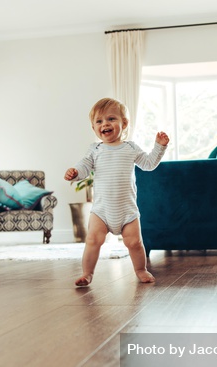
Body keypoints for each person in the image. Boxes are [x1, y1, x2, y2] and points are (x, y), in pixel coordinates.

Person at [64, 97, 169, 286]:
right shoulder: (95, 149)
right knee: (92, 240)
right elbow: (85, 165)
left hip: (127, 211)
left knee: (135, 243)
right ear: (94, 127)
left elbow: (149, 164)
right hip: (101, 211)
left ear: (124, 123)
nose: (105, 124)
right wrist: (76, 172)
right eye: (99, 121)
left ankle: (140, 269)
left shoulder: (130, 148)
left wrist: (159, 147)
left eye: (111, 119)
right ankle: (87, 273)